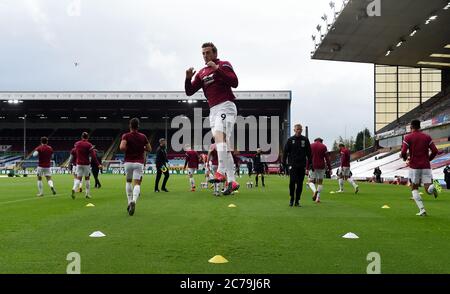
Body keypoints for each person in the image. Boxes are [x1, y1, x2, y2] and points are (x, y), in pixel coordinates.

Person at [185, 42, 239, 195]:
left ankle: (221, 171)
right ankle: (232, 180)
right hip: (213, 110)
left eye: (208, 52)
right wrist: (188, 79)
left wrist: (217, 69)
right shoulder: (201, 72)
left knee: (220, 138)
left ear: (215, 53)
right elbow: (189, 92)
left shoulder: (224, 64)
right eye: (203, 53)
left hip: (226, 105)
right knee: (224, 145)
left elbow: (234, 82)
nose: (205, 55)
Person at [401, 119, 439, 216]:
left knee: (414, 187)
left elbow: (403, 152)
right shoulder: (427, 137)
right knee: (427, 188)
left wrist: (405, 158)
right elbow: (435, 151)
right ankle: (432, 187)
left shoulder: (408, 137)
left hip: (414, 166)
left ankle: (422, 209)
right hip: (426, 166)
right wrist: (428, 159)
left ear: (411, 127)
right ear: (420, 126)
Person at [120, 118, 151, 216]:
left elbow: (122, 147)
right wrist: (142, 147)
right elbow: (149, 148)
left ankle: (129, 202)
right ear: (138, 126)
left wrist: (129, 147)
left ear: (130, 125)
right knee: (137, 183)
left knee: (128, 181)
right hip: (139, 163)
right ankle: (134, 201)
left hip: (128, 162)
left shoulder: (126, 136)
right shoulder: (143, 136)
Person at [282, 124, 311, 207]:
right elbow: (285, 152)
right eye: (297, 129)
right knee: (292, 182)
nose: (299, 130)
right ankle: (291, 198)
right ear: (294, 130)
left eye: (300, 129)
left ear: (301, 130)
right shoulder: (290, 140)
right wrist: (284, 163)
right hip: (292, 165)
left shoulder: (305, 140)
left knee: (300, 183)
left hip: (302, 165)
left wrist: (310, 164)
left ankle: (297, 200)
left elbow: (309, 153)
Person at [71, 132, 101, 199]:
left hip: (78, 164)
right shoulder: (89, 145)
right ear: (87, 137)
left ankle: (74, 188)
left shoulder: (77, 144)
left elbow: (75, 152)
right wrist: (98, 164)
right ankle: (87, 194)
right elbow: (93, 156)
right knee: (87, 178)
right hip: (86, 164)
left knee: (78, 178)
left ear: (81, 137)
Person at [307, 138, 331, 203]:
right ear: (321, 141)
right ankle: (318, 198)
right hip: (321, 166)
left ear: (314, 140)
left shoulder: (311, 146)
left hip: (313, 166)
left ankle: (315, 191)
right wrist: (330, 168)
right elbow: (327, 159)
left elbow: (308, 158)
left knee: (310, 181)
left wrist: (307, 168)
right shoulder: (324, 146)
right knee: (320, 182)